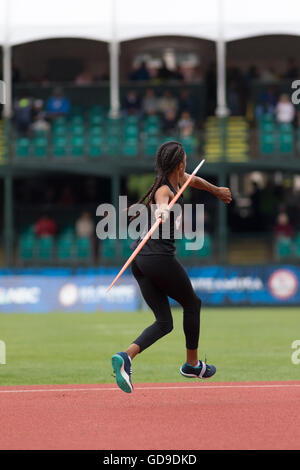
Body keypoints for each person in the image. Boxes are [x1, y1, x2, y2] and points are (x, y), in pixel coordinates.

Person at [111, 141, 232, 393]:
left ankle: (125, 356)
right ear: (179, 163)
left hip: (139, 259)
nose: (186, 164)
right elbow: (162, 202)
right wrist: (162, 212)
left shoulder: (177, 179)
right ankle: (192, 364)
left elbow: (195, 181)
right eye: (185, 160)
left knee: (165, 322)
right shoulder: (163, 190)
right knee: (192, 303)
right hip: (157, 258)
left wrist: (218, 191)